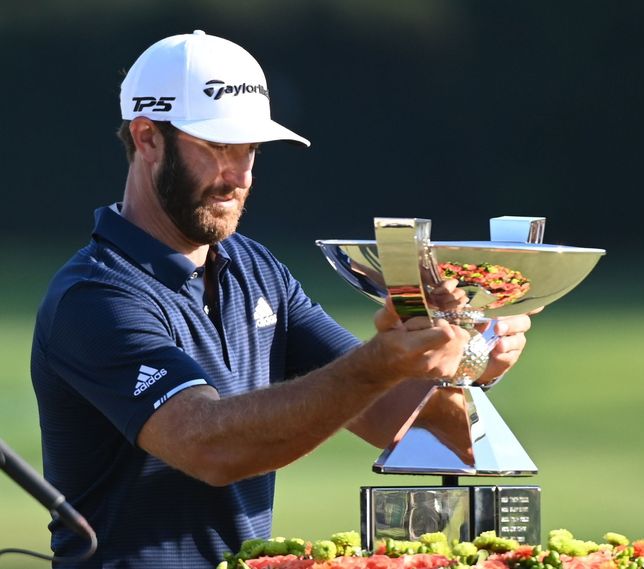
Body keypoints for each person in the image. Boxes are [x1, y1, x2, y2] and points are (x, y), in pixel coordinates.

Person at [30, 30, 533, 569]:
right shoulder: (95, 296)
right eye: (217, 147)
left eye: (250, 149)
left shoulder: (255, 267)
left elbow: (396, 419)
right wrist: (377, 363)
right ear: (148, 138)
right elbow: (210, 447)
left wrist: (460, 358)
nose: (240, 175)